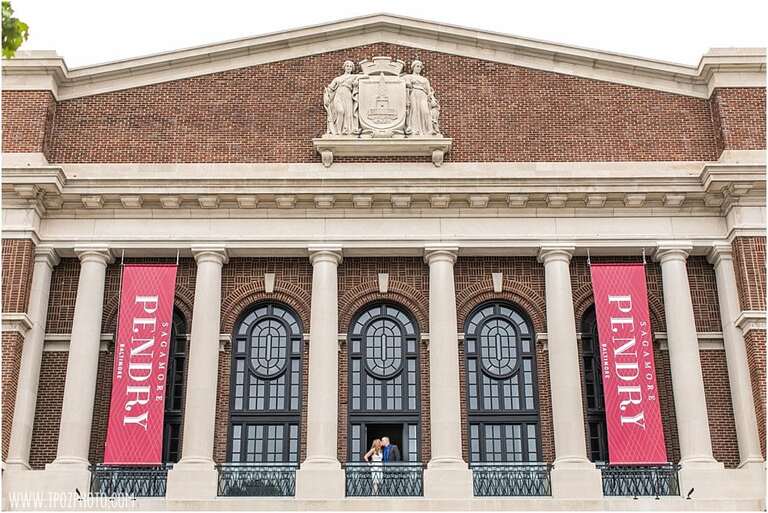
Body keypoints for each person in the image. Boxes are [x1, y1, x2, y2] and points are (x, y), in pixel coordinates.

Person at [403, 60, 441, 136]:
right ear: (413, 67)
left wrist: (432, 99)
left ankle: (429, 130)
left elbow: (429, 91)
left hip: (423, 95)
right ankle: (415, 130)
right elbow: (402, 82)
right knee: (414, 111)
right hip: (413, 94)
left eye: (420, 67)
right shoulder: (408, 77)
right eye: (417, 66)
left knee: (425, 112)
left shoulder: (425, 80)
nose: (419, 68)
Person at [323, 60, 360, 135]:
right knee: (340, 111)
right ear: (344, 67)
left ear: (352, 68)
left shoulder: (353, 77)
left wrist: (357, 80)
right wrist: (326, 96)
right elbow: (330, 88)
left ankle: (345, 130)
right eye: (347, 66)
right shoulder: (338, 78)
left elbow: (365, 76)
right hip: (338, 95)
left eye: (350, 66)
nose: (348, 67)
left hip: (347, 95)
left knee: (347, 113)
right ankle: (337, 130)